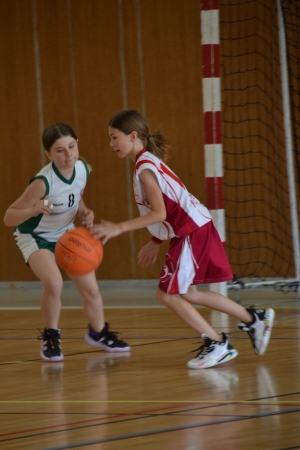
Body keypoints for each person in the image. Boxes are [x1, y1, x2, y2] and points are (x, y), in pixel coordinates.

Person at [89, 110, 275, 369]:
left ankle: (217, 344)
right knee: (188, 292)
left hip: (191, 231)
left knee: (167, 295)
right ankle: (255, 318)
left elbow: (160, 212)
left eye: (114, 137)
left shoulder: (144, 166)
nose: (111, 144)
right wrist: (155, 242)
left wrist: (119, 227)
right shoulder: (146, 162)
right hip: (194, 228)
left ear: (132, 136)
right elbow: (168, 207)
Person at [3, 123, 130, 362]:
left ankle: (99, 332)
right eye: (60, 150)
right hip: (36, 236)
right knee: (55, 283)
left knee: (91, 289)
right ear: (49, 155)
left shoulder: (83, 168)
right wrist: (33, 209)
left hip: (66, 234)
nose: (68, 154)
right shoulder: (43, 182)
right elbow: (9, 218)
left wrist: (84, 211)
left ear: (77, 144)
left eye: (71, 146)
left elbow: (75, 196)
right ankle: (51, 334)